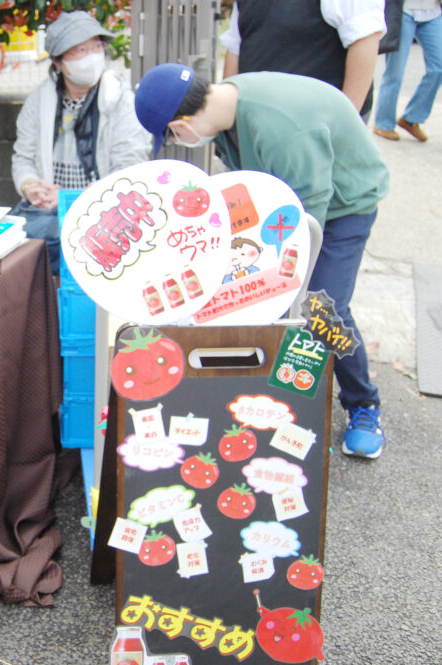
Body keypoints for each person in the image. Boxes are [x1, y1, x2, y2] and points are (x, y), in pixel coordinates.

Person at [135, 64, 390, 459]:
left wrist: (281, 277)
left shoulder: (280, 128)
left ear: (181, 126)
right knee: (263, 292)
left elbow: (310, 216)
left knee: (321, 307)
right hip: (295, 203)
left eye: (171, 136)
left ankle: (363, 404)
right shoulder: (227, 111)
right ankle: (279, 393)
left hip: (343, 204)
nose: (178, 141)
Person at [9, 10, 150, 274]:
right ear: (58, 62)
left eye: (96, 47)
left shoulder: (121, 101)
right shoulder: (39, 101)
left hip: (106, 212)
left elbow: (129, 170)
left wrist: (70, 198)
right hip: (48, 210)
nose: (91, 57)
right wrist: (30, 185)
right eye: (80, 50)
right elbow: (23, 157)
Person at [220, 0, 386, 118]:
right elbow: (235, 46)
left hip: (315, 127)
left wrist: (345, 125)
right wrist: (229, 118)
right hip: (258, 121)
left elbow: (364, 39)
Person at [373, 0, 442, 142]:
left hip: (433, 12)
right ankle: (383, 123)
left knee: (441, 66)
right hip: (404, 11)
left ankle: (411, 118)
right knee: (395, 71)